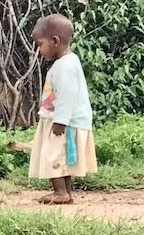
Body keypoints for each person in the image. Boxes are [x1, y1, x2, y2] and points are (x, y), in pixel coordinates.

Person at [28, 13, 97, 204]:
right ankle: (65, 192)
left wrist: (61, 120)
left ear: (55, 41)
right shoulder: (67, 62)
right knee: (61, 157)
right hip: (64, 120)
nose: (38, 50)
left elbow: (67, 95)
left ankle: (60, 192)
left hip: (64, 122)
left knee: (52, 155)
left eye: (40, 44)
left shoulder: (65, 66)